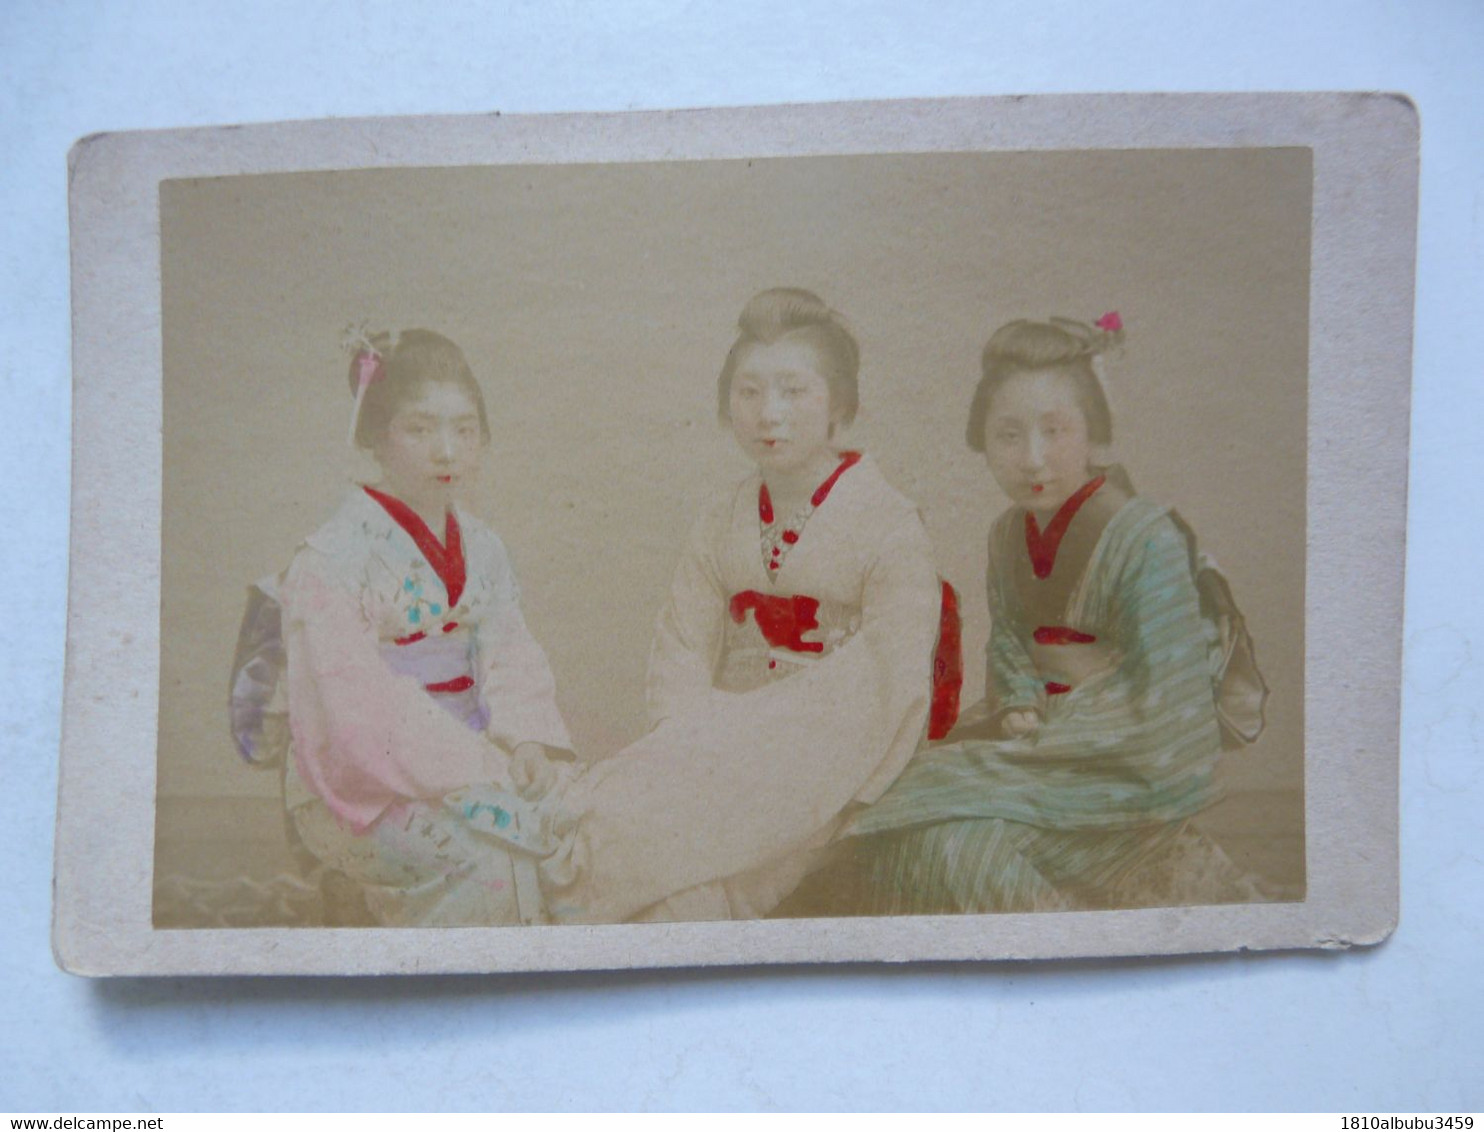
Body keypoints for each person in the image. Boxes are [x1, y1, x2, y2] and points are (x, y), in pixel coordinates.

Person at [799, 313, 1265, 915]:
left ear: (1092, 434)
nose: (1033, 459)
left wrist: (1054, 735)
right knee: (895, 828)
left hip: (1124, 780)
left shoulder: (1146, 538)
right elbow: (1011, 643)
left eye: (1055, 430)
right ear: (982, 440)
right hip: (1037, 757)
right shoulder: (1006, 537)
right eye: (1010, 436)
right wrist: (1018, 701)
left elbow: (1172, 711)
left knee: (955, 846)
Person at [539, 289, 950, 923]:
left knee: (680, 882)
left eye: (793, 391)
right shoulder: (720, 518)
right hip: (717, 743)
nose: (769, 414)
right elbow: (681, 650)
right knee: (623, 835)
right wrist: (688, 741)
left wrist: (762, 744)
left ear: (839, 403)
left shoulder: (888, 524)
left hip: (829, 755)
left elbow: (891, 681)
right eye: (749, 392)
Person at [273, 328, 573, 926]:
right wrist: (481, 766)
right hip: (363, 784)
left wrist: (525, 741)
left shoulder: (483, 548)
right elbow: (357, 716)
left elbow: (509, 652)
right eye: (420, 429)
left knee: (574, 833)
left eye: (464, 430)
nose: (446, 451)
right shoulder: (331, 559)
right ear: (376, 438)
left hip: (478, 757)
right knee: (498, 859)